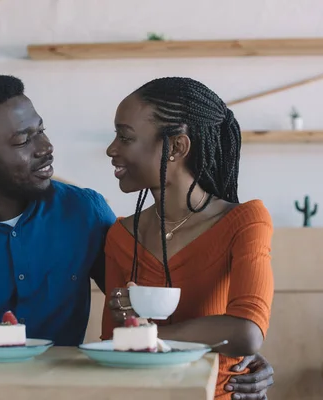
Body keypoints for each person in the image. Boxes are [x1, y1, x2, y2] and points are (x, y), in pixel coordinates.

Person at [0, 74, 274, 397]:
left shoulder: (85, 213)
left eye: (41, 130)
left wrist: (234, 353)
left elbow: (131, 315)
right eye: (23, 140)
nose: (45, 147)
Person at [102, 77, 275, 400]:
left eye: (125, 137)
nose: (112, 149)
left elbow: (247, 333)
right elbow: (111, 346)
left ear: (177, 147)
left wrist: (147, 337)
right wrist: (126, 326)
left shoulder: (244, 222)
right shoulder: (120, 236)